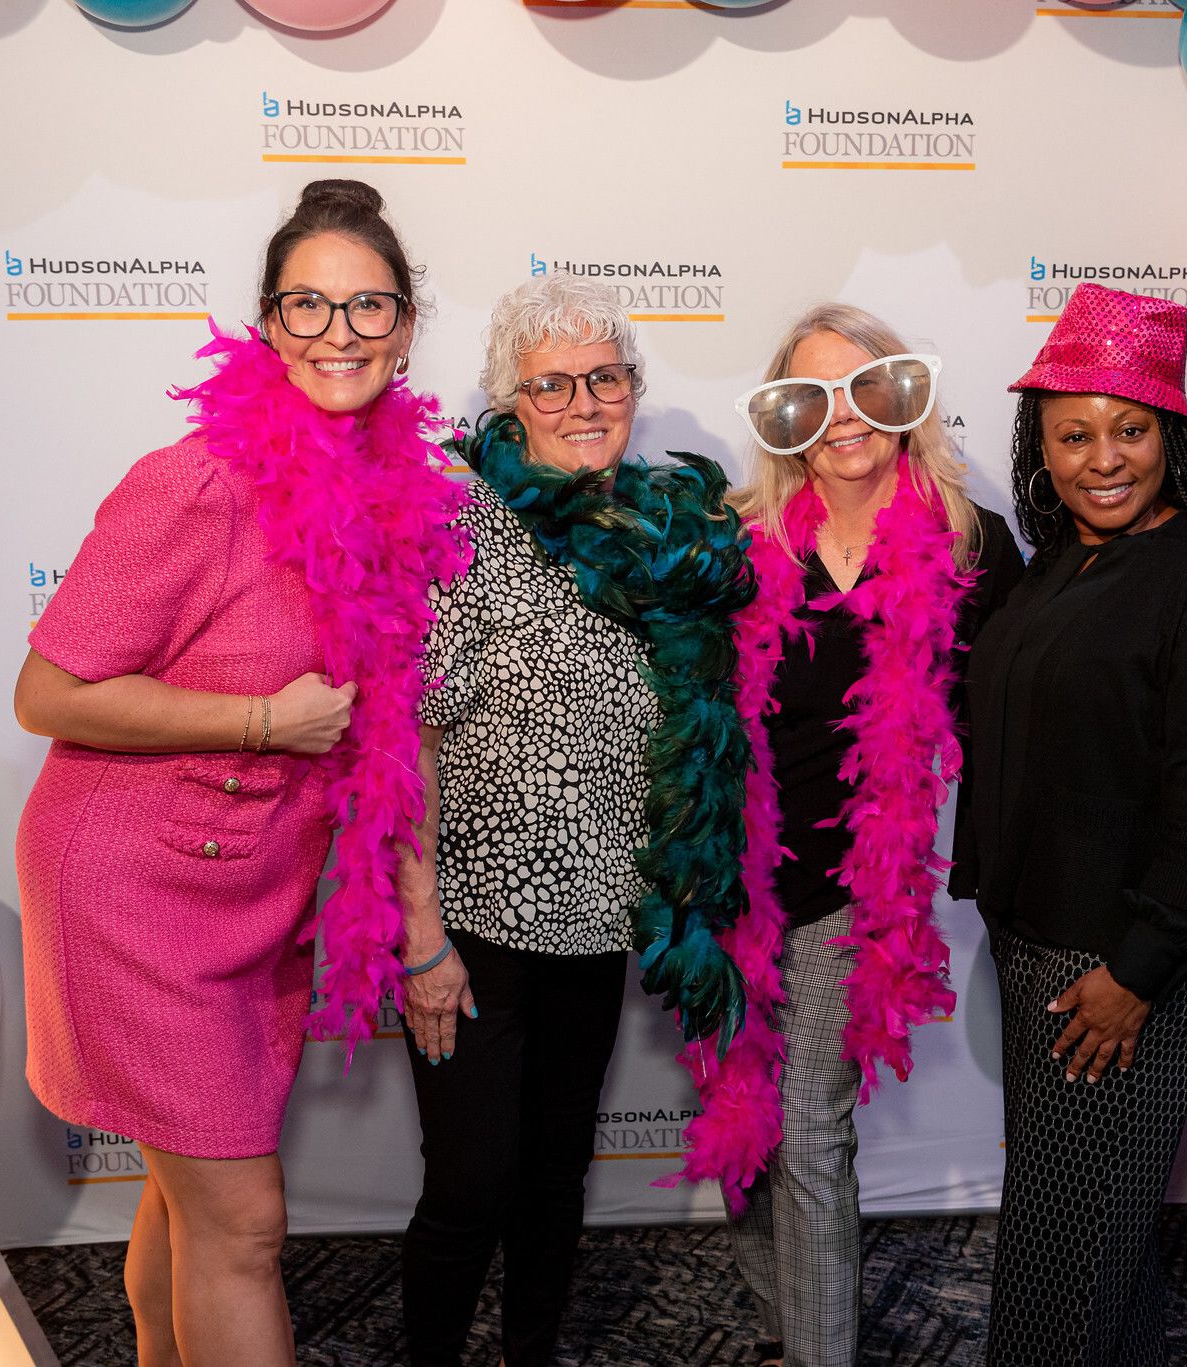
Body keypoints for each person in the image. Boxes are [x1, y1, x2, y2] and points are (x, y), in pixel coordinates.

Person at [12, 179, 466, 1367]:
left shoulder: (392, 496)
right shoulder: (197, 482)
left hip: (256, 895)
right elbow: (48, 694)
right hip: (134, 894)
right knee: (245, 1219)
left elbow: (391, 734)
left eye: (367, 306)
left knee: (188, 1198)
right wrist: (263, 718)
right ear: (268, 323)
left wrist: (418, 918)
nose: (337, 332)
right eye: (307, 304)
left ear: (405, 326)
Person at [394, 272, 755, 1367]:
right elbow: (406, 743)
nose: (584, 403)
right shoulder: (461, 522)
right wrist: (420, 936)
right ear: (510, 402)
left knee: (555, 1173)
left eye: (605, 377)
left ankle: (531, 1352)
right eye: (552, 383)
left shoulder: (661, 531)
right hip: (474, 927)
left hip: (600, 919)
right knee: (470, 1184)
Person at [671, 303, 1027, 1367]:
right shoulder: (739, 541)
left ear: (903, 396)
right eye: (813, 396)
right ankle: (784, 1328)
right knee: (743, 1117)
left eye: (866, 387)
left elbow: (1017, 716)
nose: (844, 416)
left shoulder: (968, 544)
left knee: (809, 1126)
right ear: (782, 417)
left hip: (855, 889)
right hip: (729, 875)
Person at [952, 282, 1187, 1366]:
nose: (1103, 458)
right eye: (1074, 434)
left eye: (1130, 430)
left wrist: (1136, 971)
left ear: (1170, 438)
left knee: (1066, 1244)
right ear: (1042, 448)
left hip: (1129, 960)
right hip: (1047, 938)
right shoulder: (1065, 560)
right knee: (1088, 1223)